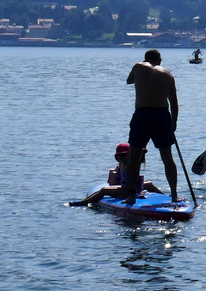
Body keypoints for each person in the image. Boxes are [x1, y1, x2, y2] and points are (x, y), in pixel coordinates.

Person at [123, 49, 182, 205]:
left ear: (145, 59)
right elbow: (174, 103)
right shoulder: (168, 74)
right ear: (160, 60)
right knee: (167, 157)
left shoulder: (138, 66)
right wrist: (174, 122)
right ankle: (174, 195)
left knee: (134, 157)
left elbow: (129, 80)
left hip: (143, 114)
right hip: (162, 115)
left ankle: (131, 195)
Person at [75, 143, 165, 205]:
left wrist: (140, 150)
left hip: (126, 190)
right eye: (119, 155)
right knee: (148, 184)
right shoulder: (120, 164)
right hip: (128, 187)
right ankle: (86, 201)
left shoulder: (130, 162)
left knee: (103, 190)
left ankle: (166, 197)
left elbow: (141, 154)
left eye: (124, 155)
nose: (121, 157)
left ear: (129, 155)